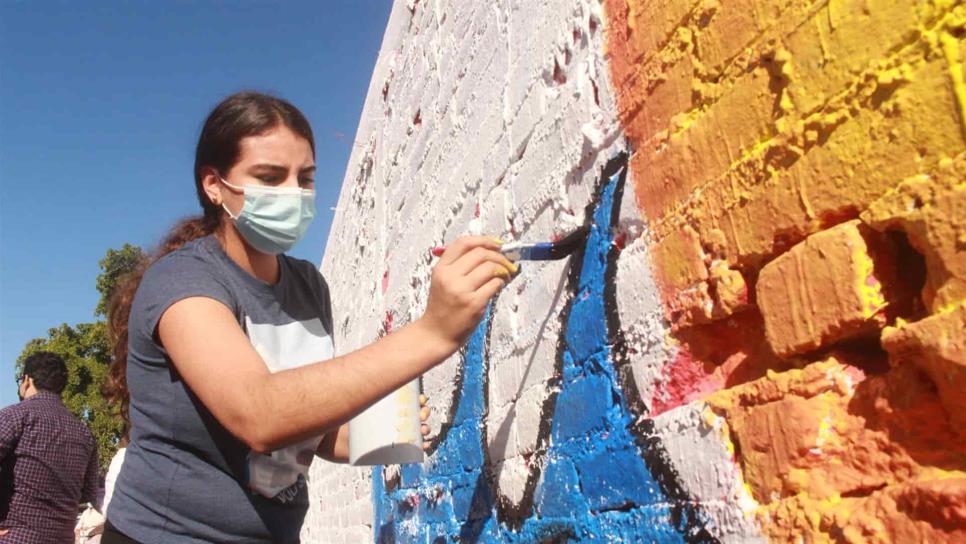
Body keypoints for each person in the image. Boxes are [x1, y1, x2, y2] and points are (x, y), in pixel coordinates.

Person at [100, 91, 517, 543]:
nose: (294, 195)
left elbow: (306, 435)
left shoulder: (308, 287)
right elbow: (259, 415)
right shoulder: (182, 281)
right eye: (269, 177)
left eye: (306, 178)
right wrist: (433, 333)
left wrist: (378, 431)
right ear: (214, 185)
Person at [0, 351, 100, 543]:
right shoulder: (84, 433)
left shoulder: (14, 417)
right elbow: (88, 494)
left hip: (15, 537)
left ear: (27, 380)